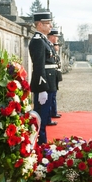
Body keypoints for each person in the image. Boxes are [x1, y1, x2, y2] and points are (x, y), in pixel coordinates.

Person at [29, 12, 57, 143]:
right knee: (40, 118)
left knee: (44, 118)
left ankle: (43, 145)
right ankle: (40, 146)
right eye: (47, 23)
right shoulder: (37, 41)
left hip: (49, 84)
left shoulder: (43, 40)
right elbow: (39, 66)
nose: (51, 25)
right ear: (39, 24)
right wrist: (41, 88)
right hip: (44, 85)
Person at [47, 28, 61, 123]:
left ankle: (53, 112)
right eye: (56, 36)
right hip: (50, 74)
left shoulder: (51, 47)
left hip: (54, 74)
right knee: (50, 96)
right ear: (51, 37)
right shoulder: (49, 46)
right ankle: (50, 115)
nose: (57, 39)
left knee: (53, 95)